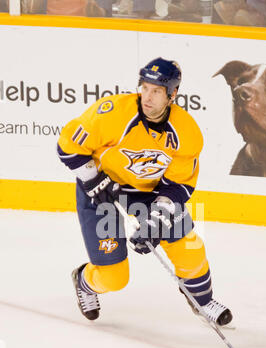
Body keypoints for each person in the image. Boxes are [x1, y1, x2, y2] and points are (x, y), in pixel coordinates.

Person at [57, 57, 233, 326]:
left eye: (157, 91)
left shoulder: (186, 131)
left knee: (188, 246)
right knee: (114, 278)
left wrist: (156, 219)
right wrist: (93, 180)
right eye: (145, 88)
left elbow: (179, 185)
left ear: (172, 94)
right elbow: (67, 146)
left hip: (146, 193)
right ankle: (84, 281)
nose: (147, 97)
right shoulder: (113, 112)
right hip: (101, 189)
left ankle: (202, 299)